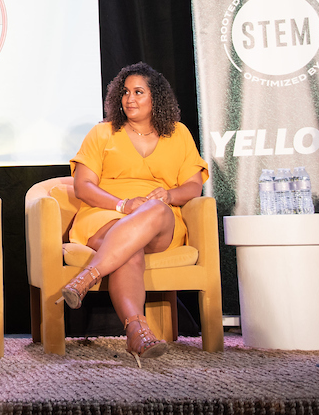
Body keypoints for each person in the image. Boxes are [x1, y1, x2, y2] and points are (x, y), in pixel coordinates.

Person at [56, 61, 209, 366]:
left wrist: (168, 194)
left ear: (157, 98)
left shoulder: (178, 134)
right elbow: (83, 186)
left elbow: (193, 186)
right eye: (125, 92)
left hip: (160, 222)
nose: (130, 99)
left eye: (138, 92)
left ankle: (86, 277)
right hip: (106, 215)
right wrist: (123, 205)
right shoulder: (103, 133)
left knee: (154, 209)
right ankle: (137, 331)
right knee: (130, 253)